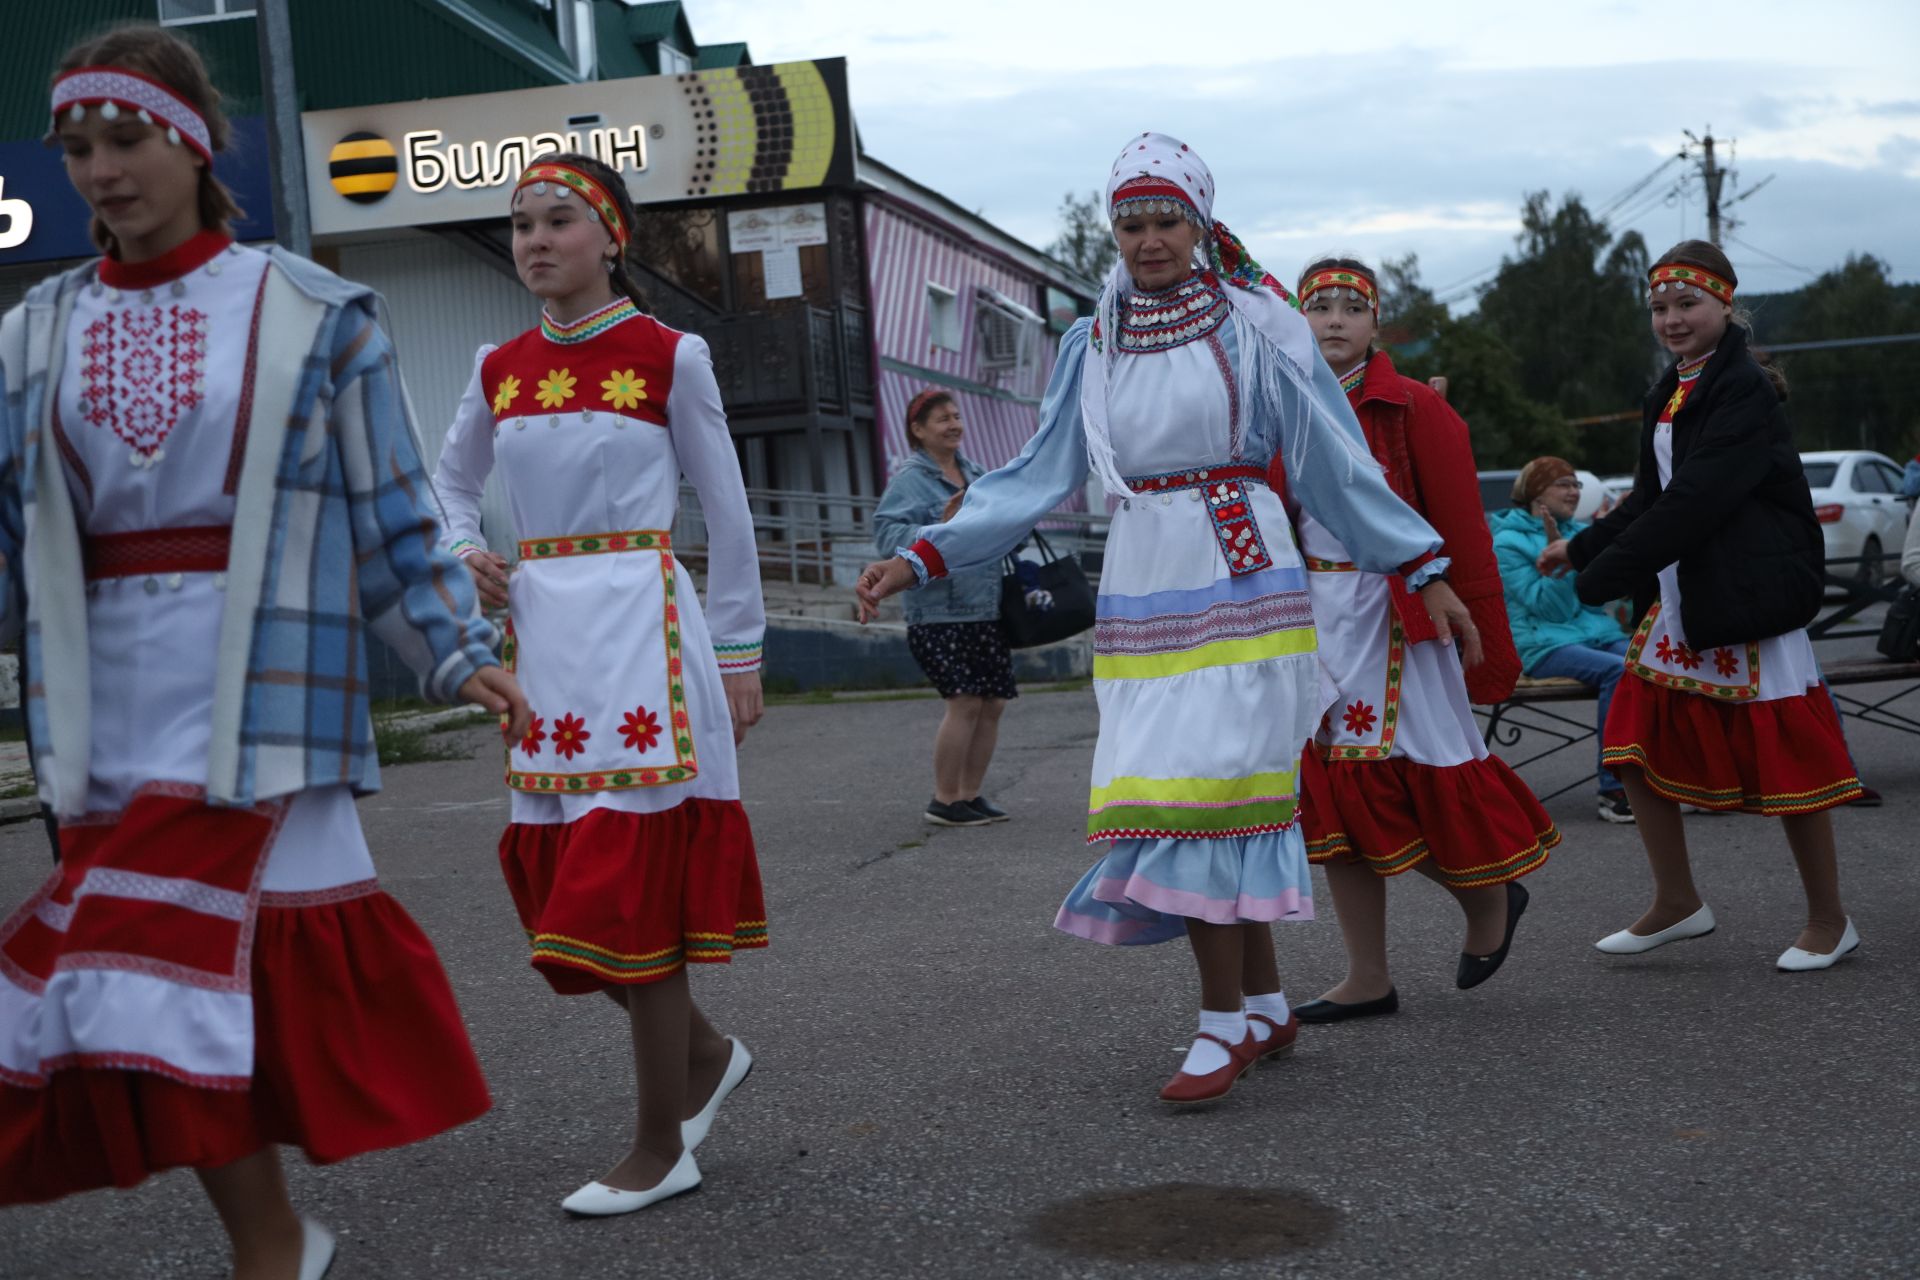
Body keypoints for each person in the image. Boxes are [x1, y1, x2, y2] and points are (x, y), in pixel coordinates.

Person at [0, 25, 531, 1280]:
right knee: (140, 986)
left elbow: (388, 507)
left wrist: (462, 653)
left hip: (264, 696)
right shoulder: (32, 333)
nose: (99, 171)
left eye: (125, 139)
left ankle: (273, 1245)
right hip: (101, 706)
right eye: (77, 147)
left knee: (183, 984)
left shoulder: (310, 310)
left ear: (192, 139)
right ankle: (278, 1240)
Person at [856, 134, 1475, 1105]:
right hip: (1145, 581)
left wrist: (1421, 564)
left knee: (1209, 794)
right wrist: (922, 554)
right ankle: (1264, 1005)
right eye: (1131, 223)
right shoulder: (1092, 337)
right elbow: (1038, 475)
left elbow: (1334, 459)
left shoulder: (1257, 325)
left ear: (1200, 223)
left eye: (1166, 221)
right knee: (1189, 794)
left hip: (1242, 572)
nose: (1148, 240)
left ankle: (1221, 1019)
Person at [433, 152, 766, 1215]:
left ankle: (661, 1141)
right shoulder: (499, 366)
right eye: (522, 222)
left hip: (643, 635)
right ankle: (703, 1053)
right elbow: (449, 481)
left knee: (629, 884)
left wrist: (741, 647)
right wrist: (460, 551)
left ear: (611, 236)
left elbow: (726, 507)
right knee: (571, 883)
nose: (536, 239)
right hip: (546, 642)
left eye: (560, 220)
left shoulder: (672, 354)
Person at [1540, 241, 1862, 971]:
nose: (1672, 319)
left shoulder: (1742, 387)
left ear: (1725, 304)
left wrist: (1606, 575)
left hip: (1745, 595)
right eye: (1659, 307)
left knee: (1786, 760)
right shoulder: (1675, 386)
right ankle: (1678, 900)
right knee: (1631, 741)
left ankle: (1829, 920)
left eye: (1688, 304)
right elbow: (1654, 498)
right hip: (1686, 594)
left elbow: (1699, 499)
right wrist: (1583, 548)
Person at [1288, 260, 1552, 1025]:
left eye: (1351, 307)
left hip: (1394, 611)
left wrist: (1468, 615)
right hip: (1316, 612)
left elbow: (1462, 525)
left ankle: (1488, 895)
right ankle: (1366, 974)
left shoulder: (1412, 408)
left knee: (1388, 781)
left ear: (1376, 324)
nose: (1334, 320)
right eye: (1319, 307)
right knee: (1335, 793)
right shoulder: (1286, 402)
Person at [872, 389, 1016, 826]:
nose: (953, 424)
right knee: (965, 701)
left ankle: (969, 795)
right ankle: (944, 799)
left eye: (956, 416)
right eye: (941, 419)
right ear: (917, 431)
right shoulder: (909, 480)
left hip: (985, 606)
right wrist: (942, 523)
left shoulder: (976, 473)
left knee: (993, 704)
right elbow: (885, 537)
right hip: (937, 612)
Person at [1492, 456, 1636, 823]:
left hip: (1593, 634)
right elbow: (1549, 611)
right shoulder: (1507, 542)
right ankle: (1614, 789)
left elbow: (1601, 597)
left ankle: (1662, 777)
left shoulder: (1578, 533)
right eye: (1564, 484)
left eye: (1576, 484)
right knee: (1619, 672)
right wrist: (1561, 564)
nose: (1574, 492)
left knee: (1651, 665)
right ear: (1535, 493)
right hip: (1541, 645)